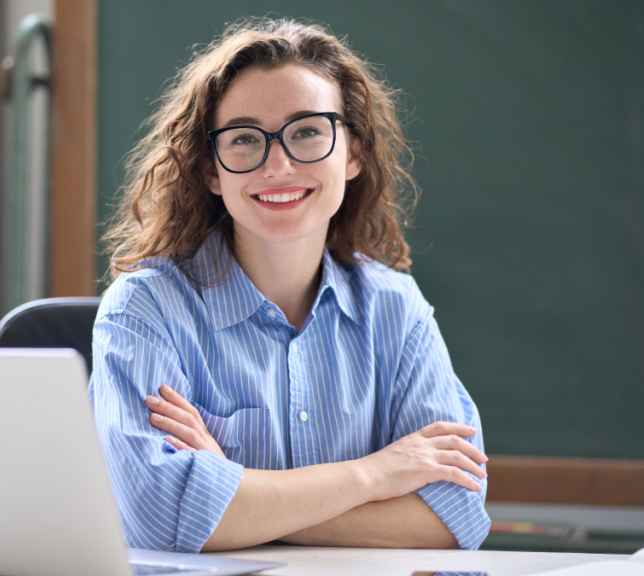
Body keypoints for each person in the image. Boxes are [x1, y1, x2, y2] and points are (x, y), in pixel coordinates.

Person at [88, 17, 490, 553]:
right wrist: (375, 474)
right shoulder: (144, 309)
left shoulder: (397, 310)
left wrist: (237, 493)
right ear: (211, 170)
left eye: (307, 131)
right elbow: (160, 516)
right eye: (244, 138)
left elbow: (455, 516)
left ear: (353, 153)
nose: (277, 165)